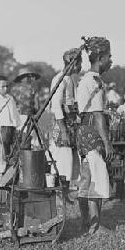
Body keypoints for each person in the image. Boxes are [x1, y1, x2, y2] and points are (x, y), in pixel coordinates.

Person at [76, 36, 114, 236]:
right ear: (100, 58)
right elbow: (98, 115)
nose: (111, 60)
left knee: (87, 177)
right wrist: (107, 143)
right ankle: (95, 225)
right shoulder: (95, 81)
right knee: (96, 178)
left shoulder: (85, 80)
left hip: (83, 132)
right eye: (108, 56)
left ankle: (87, 223)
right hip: (92, 133)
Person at [49, 47, 82, 186]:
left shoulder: (71, 80)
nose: (81, 66)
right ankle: (61, 192)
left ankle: (68, 190)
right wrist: (63, 131)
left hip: (71, 125)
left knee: (72, 161)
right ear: (74, 63)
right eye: (80, 63)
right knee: (63, 160)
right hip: (62, 126)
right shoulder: (59, 79)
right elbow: (56, 106)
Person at [0, 75, 22, 161]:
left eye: (7, 86)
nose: (5, 88)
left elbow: (15, 114)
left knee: (16, 150)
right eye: (3, 86)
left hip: (13, 127)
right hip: (3, 129)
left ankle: (15, 168)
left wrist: (18, 126)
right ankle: (6, 167)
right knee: (5, 151)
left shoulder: (10, 98)